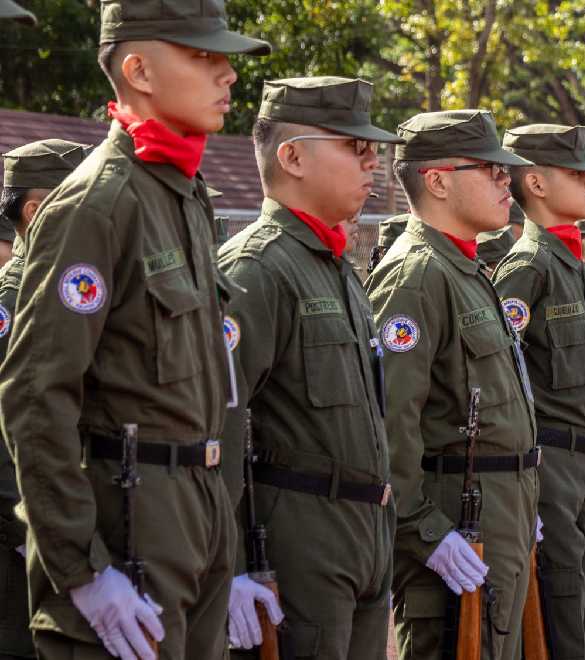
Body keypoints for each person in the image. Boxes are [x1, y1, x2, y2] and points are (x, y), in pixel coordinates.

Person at [0, 2, 270, 658]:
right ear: (139, 69)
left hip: (196, 516)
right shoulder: (99, 202)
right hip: (130, 527)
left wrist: (225, 548)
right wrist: (82, 570)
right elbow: (37, 394)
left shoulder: (183, 194)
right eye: (203, 56)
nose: (227, 74)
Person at [217, 76, 399, 659]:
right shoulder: (257, 268)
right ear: (292, 156)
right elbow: (219, 422)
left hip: (363, 529)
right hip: (297, 537)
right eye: (354, 146)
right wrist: (231, 566)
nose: (373, 162)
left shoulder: (338, 268)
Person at [366, 110, 539, 660]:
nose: (503, 181)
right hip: (455, 522)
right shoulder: (417, 274)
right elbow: (392, 421)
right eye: (488, 170)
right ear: (437, 180)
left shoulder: (465, 270)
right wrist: (424, 530)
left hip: (495, 513)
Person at [492, 123, 585, 660]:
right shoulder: (529, 267)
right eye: (577, 173)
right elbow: (499, 380)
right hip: (546, 464)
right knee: (560, 610)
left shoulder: (569, 265)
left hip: (580, 462)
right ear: (537, 184)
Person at [0, 139, 90, 660]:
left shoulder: (62, 293)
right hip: (19, 543)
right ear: (35, 212)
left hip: (61, 535)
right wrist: (29, 531)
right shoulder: (10, 301)